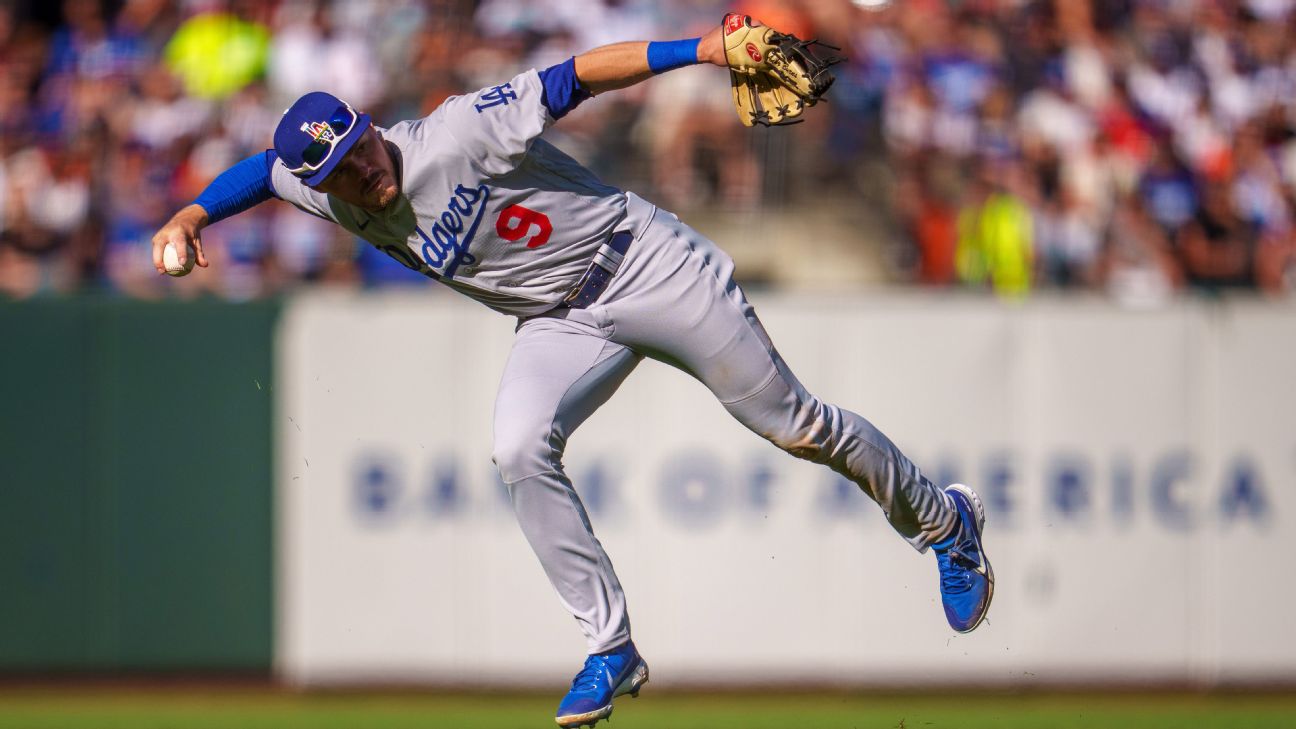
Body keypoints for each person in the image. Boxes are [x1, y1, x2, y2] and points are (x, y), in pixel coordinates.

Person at [151, 15, 993, 729]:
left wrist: (700, 50)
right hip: (559, 320)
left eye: (361, 151)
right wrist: (192, 212)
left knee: (797, 425)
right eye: (340, 172)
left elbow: (574, 76)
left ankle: (943, 523)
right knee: (517, 448)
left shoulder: (454, 133)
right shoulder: (320, 187)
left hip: (643, 262)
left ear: (371, 125)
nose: (363, 173)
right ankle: (610, 646)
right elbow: (262, 172)